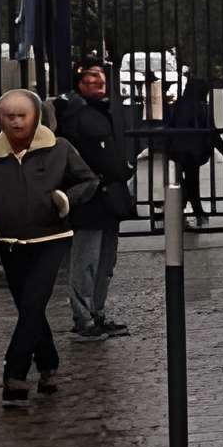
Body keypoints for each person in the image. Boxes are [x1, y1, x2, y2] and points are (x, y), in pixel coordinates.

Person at [0, 88, 96, 408]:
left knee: (33, 302)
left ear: (36, 117)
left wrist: (64, 200)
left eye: (22, 115)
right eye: (9, 116)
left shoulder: (59, 148)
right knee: (29, 309)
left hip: (50, 239)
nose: (16, 122)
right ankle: (48, 365)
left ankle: (14, 373)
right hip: (9, 242)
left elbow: (89, 180)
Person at [54, 58, 136, 339]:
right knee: (86, 260)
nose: (98, 83)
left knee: (105, 261)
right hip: (91, 198)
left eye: (100, 78)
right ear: (78, 82)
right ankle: (83, 318)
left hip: (111, 196)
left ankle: (97, 312)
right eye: (90, 78)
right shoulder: (73, 113)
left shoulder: (105, 110)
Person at [163, 75, 223, 224]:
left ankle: (182, 208)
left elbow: (170, 125)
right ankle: (193, 211)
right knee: (192, 182)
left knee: (188, 181)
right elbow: (211, 131)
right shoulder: (201, 106)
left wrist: (167, 147)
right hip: (194, 152)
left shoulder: (180, 103)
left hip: (178, 150)